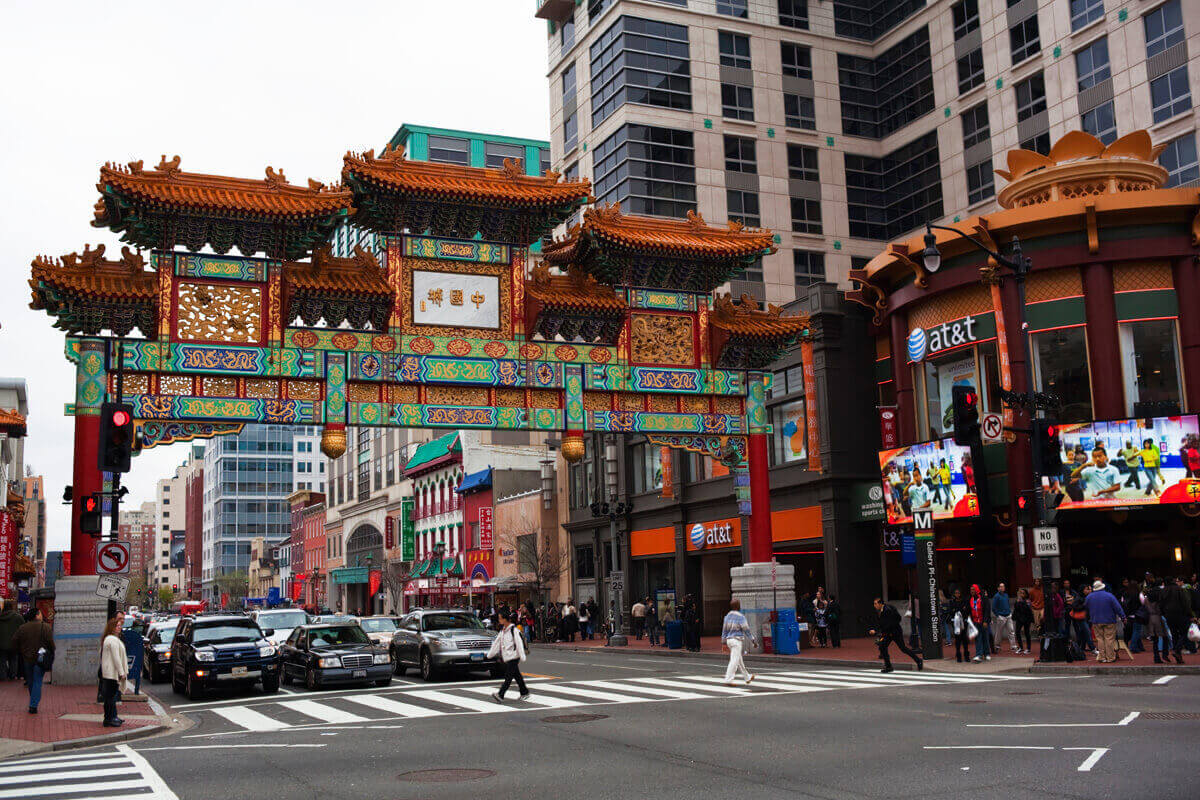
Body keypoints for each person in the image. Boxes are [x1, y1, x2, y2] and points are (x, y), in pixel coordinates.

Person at [13, 608, 54, 713]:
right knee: (37, 681)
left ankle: (33, 701)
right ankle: (33, 705)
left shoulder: (22, 628)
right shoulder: (45, 627)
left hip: (27, 658)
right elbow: (50, 643)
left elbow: (14, 640)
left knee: (31, 681)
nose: (41, 615)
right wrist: (51, 650)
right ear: (36, 615)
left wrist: (22, 650)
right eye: (40, 613)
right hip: (40, 658)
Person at [869, 598, 923, 673]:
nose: (874, 605)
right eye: (874, 604)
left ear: (881, 603)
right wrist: (878, 630)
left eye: (875, 603)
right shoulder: (880, 610)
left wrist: (877, 631)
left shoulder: (888, 610)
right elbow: (882, 623)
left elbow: (896, 619)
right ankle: (888, 666)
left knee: (903, 648)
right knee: (882, 646)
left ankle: (918, 660)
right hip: (888, 632)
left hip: (895, 632)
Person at [488, 610, 529, 703]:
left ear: (505, 619)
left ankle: (500, 694)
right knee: (517, 675)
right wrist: (490, 654)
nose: (499, 620)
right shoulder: (503, 631)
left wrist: (522, 656)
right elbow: (496, 643)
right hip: (508, 657)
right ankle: (524, 692)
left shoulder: (513, 630)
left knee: (508, 676)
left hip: (514, 657)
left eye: (500, 618)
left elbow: (519, 643)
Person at [1084, 580, 1125, 663]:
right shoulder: (1109, 596)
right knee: (1109, 639)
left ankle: (1102, 657)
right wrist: (1123, 617)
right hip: (1109, 620)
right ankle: (1110, 657)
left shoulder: (1089, 597)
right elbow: (1117, 607)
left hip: (1096, 620)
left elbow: (1086, 607)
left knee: (1100, 639)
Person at [720, 599, 757, 685]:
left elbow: (724, 630)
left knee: (739, 660)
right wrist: (753, 640)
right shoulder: (741, 617)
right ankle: (728, 679)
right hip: (736, 641)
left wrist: (723, 642)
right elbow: (746, 630)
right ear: (738, 606)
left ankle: (747, 677)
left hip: (729, 640)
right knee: (734, 661)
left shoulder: (727, 616)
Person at [1161, 576, 1196, 665]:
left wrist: (1164, 613)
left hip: (1168, 615)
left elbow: (1161, 604)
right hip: (1180, 614)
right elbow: (1185, 603)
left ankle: (1178, 656)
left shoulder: (1164, 591)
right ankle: (1177, 650)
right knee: (1184, 632)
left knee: (1174, 634)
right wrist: (1190, 615)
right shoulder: (1179, 589)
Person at [99, 615, 127, 726]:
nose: (119, 628)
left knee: (109, 697)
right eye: (117, 626)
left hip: (108, 673)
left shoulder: (109, 639)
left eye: (120, 626)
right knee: (110, 698)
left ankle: (111, 718)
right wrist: (121, 672)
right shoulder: (112, 640)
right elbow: (116, 658)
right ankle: (109, 719)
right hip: (111, 673)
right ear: (112, 627)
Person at [969, 584, 992, 662]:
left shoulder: (984, 598)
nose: (971, 591)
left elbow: (987, 610)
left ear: (977, 590)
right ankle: (979, 654)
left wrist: (985, 621)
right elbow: (970, 611)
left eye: (973, 589)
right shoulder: (971, 599)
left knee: (985, 638)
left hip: (983, 622)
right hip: (975, 622)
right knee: (978, 639)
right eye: (971, 590)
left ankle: (987, 654)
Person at [0, 599, 22, 680]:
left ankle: (3, 676)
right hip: (14, 643)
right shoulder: (18, 617)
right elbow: (22, 629)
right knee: (13, 660)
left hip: (1, 644)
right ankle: (12, 675)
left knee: (2, 660)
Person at [991, 582, 1015, 654]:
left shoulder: (1006, 595)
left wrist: (1009, 612)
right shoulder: (996, 596)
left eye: (1003, 586)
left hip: (1008, 615)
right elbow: (994, 608)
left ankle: (1013, 645)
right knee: (999, 632)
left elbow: (1007, 604)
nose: (1002, 588)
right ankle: (997, 646)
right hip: (1001, 616)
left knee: (1011, 631)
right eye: (1001, 587)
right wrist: (998, 615)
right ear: (998, 588)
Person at [949, 589, 971, 663]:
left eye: (958, 593)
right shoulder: (952, 601)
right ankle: (958, 655)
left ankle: (966, 656)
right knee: (958, 640)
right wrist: (959, 610)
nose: (957, 594)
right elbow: (951, 611)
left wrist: (959, 610)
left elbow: (967, 611)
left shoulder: (964, 601)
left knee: (965, 640)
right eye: (956, 593)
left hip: (964, 623)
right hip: (956, 624)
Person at [1013, 588, 1033, 655]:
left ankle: (1028, 648)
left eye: (1023, 593)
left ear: (1026, 594)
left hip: (1027, 619)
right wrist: (1018, 602)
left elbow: (1027, 609)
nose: (1021, 594)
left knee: (1027, 633)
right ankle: (1021, 647)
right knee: (1017, 632)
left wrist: (1021, 602)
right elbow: (1016, 608)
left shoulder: (1028, 601)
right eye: (1020, 593)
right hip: (1019, 618)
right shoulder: (1018, 600)